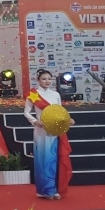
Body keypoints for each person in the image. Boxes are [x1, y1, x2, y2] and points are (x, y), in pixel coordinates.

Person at [24, 68, 74, 199]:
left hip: (55, 130)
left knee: (54, 159)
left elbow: (60, 112)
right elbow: (26, 112)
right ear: (38, 80)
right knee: (43, 159)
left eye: (49, 79)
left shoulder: (56, 94)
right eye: (44, 79)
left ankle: (54, 189)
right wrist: (35, 121)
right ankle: (44, 190)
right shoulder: (33, 95)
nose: (47, 81)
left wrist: (68, 120)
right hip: (41, 130)